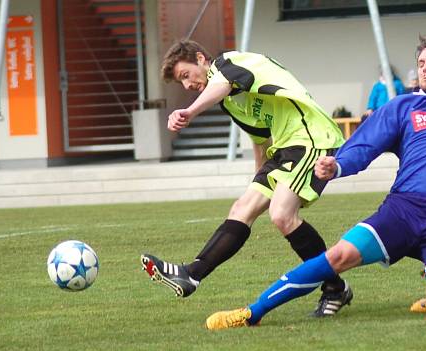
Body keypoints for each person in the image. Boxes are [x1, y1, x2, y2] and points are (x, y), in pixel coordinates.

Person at [204, 23, 426, 330]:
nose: (425, 67)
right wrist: (337, 166)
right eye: (421, 62)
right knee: (338, 256)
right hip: (404, 211)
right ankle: (252, 312)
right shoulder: (402, 107)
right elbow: (362, 147)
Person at [140, 40, 354, 317]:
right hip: (285, 147)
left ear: (200, 58)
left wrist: (189, 112)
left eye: (185, 75)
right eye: (181, 82)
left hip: (311, 137)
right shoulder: (230, 101)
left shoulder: (228, 63)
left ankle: (335, 287)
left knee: (281, 215)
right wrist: (258, 183)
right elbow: (260, 139)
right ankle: (191, 274)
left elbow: (222, 85)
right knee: (242, 208)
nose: (187, 85)